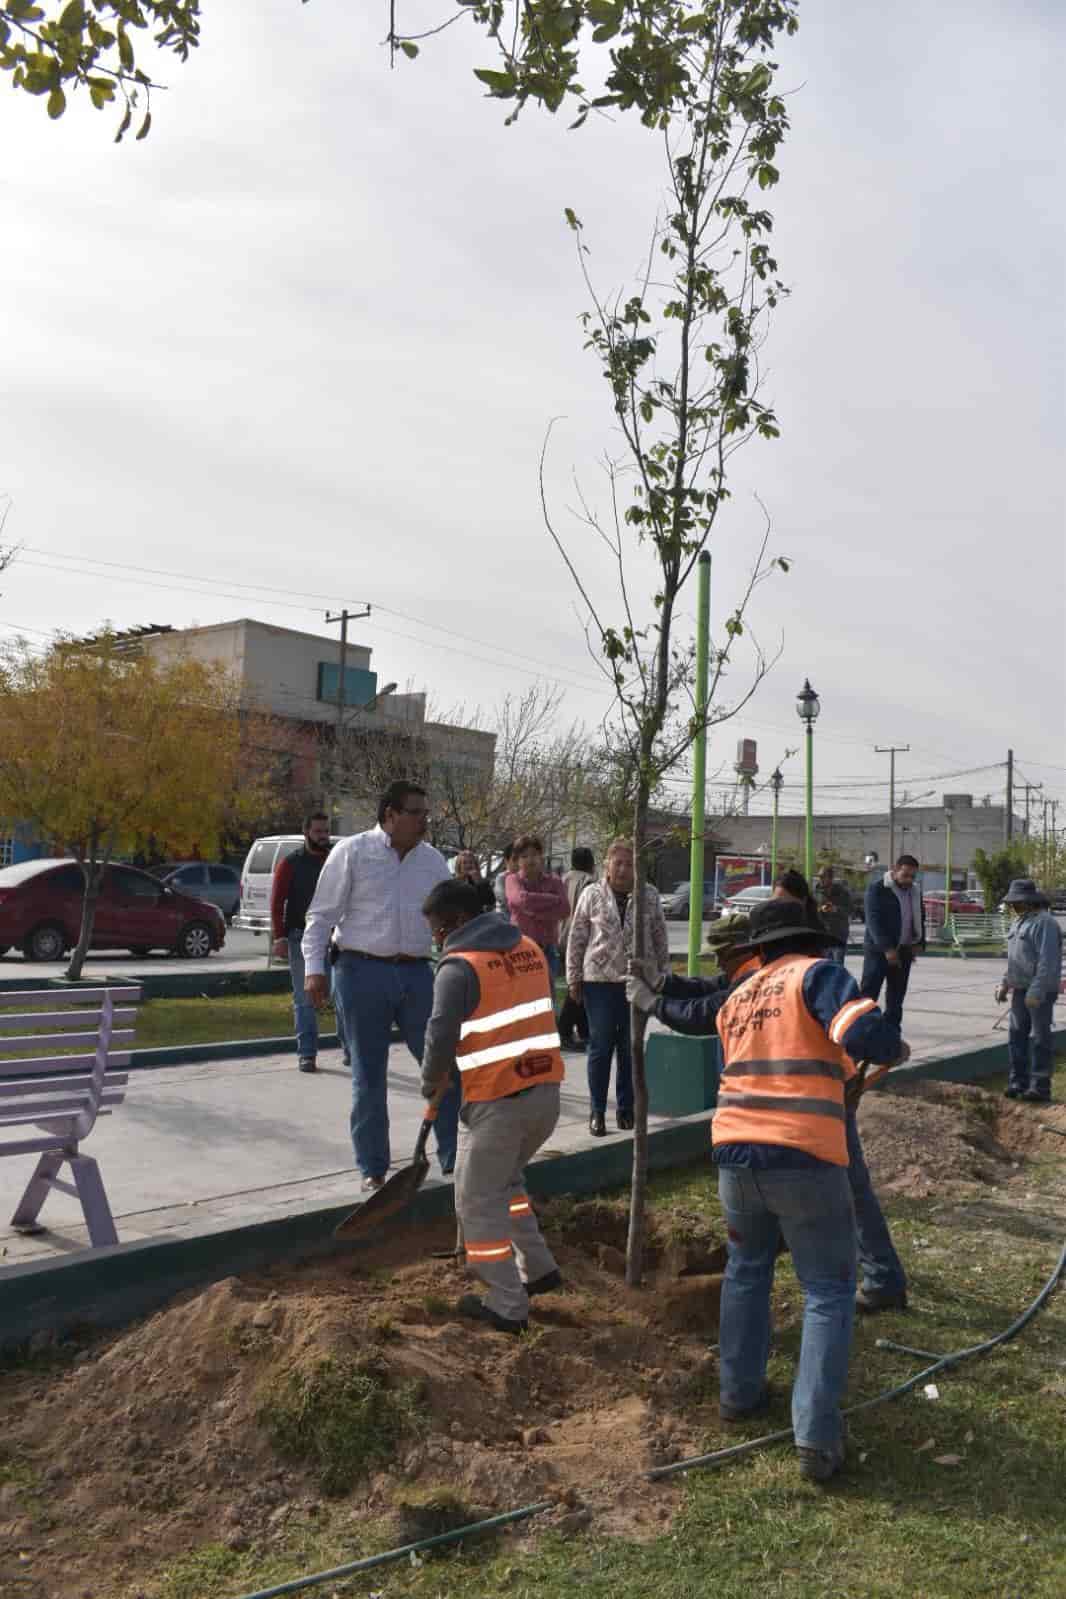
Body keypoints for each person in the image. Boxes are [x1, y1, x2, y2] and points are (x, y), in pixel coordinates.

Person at [630, 899, 909, 1483]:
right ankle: (814, 1437)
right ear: (809, 941)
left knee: (747, 1269)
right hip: (802, 1154)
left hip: (734, 1153)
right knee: (828, 1289)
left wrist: (653, 999)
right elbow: (861, 1032)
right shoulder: (818, 976)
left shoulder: (742, 993)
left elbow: (699, 1020)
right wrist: (891, 1047)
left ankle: (739, 1394)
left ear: (759, 949)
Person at [420, 878, 564, 1334]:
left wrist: (431, 1081)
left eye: (438, 929)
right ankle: (538, 1268)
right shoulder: (529, 948)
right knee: (506, 1182)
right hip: (546, 1095)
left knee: (474, 1198)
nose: (436, 939)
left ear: (460, 920)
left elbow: (440, 1033)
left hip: (499, 1104)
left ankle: (506, 1304)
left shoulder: (458, 968)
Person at [302, 780, 458, 1192]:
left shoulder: (433, 863)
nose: (425, 820)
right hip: (359, 972)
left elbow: (451, 922)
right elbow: (319, 917)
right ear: (390, 815)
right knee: (369, 1077)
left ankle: (452, 1161)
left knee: (443, 1068)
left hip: (416, 975)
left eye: (426, 813)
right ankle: (374, 1170)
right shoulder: (352, 853)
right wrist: (313, 969)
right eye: (416, 812)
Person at [566, 839, 669, 1136]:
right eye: (618, 863)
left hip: (638, 981)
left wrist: (662, 977)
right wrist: (573, 977)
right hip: (599, 982)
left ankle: (626, 1108)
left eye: (630, 864)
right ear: (607, 865)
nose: (623, 869)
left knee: (630, 1047)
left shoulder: (648, 895)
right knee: (600, 1046)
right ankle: (597, 1111)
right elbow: (577, 937)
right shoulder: (592, 894)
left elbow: (660, 937)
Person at [271, 811, 332, 1074]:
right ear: (307, 832)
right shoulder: (291, 863)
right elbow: (276, 903)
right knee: (305, 997)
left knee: (343, 996)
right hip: (300, 938)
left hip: (336, 938)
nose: (323, 836)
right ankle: (307, 1054)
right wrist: (280, 936)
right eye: (318, 831)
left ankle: (352, 1051)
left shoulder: (335, 861)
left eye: (326, 831)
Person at [996, 878, 1062, 1104]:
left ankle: (1040, 1086)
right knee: (1016, 1035)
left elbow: (1047, 962)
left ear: (1029, 901)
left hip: (1039, 991)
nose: (1013, 906)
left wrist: (1037, 991)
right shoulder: (1018, 923)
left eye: (1016, 902)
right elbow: (1015, 959)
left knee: (1040, 1038)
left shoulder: (1045, 923)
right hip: (1020, 988)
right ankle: (1018, 1082)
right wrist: (1005, 983)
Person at [860, 854, 925, 1027]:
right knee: (868, 996)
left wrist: (919, 943)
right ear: (895, 870)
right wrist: (887, 949)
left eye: (913, 876)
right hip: (879, 952)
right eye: (905, 875)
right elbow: (873, 921)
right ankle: (862, 1035)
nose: (909, 880)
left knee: (896, 999)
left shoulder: (915, 891)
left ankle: (891, 1038)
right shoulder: (878, 889)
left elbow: (919, 917)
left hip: (904, 951)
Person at [505, 835, 569, 983]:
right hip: (521, 949)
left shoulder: (554, 881)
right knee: (523, 995)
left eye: (534, 854)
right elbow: (522, 900)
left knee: (547, 995)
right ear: (517, 860)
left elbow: (565, 909)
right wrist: (553, 899)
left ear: (541, 856)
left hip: (548, 948)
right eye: (524, 856)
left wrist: (534, 913)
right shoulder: (512, 880)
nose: (530, 860)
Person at [558, 847, 595, 1050]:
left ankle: (584, 1031)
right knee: (577, 987)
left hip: (561, 936)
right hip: (579, 939)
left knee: (578, 984)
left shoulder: (563, 879)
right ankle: (564, 1030)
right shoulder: (588, 882)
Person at [815, 865, 852, 965]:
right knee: (824, 967)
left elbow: (849, 910)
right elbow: (810, 910)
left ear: (830, 878)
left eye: (823, 876)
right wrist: (820, 909)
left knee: (837, 967)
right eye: (819, 876)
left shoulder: (842, 892)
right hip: (823, 936)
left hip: (838, 935)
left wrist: (835, 909)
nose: (820, 879)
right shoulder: (816, 892)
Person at [494, 843, 516, 915]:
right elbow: (506, 900)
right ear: (507, 860)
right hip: (505, 919)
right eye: (514, 859)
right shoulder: (502, 878)